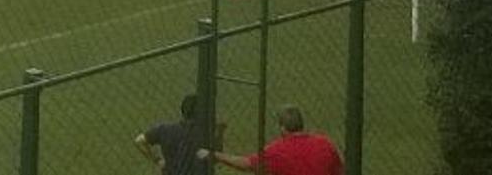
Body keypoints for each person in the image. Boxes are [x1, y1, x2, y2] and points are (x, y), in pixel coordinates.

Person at [199, 105, 342, 175]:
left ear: (282, 128)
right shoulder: (325, 143)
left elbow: (246, 164)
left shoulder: (276, 151)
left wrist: (215, 155)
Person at [134, 94, 214, 175]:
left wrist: (158, 160)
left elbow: (139, 141)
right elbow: (214, 157)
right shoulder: (202, 134)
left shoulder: (165, 130)